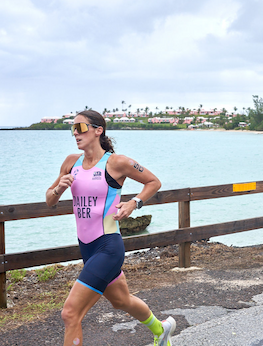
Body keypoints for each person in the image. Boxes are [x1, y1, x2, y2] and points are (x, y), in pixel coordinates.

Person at [46, 110, 176, 346]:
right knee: (121, 300)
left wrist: (134, 203)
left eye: (81, 127)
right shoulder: (70, 162)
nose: (76, 132)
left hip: (108, 247)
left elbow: (153, 182)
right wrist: (59, 189)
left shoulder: (117, 163)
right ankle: (162, 329)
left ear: (98, 130)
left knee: (70, 313)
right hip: (87, 248)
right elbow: (49, 200)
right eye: (73, 128)